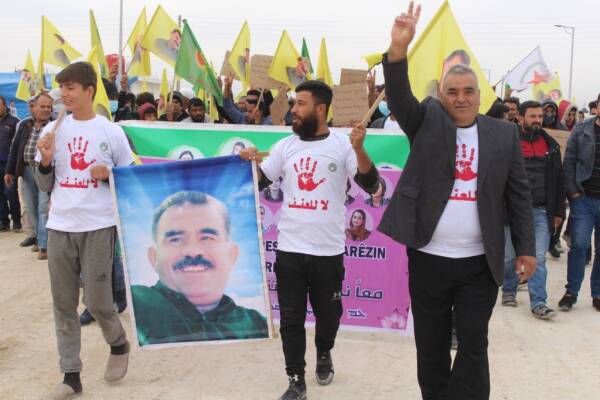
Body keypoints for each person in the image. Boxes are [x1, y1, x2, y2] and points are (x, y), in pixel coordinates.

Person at [377, 4, 535, 399]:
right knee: (430, 347)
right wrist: (398, 49)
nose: (461, 98)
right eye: (452, 92)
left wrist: (527, 249)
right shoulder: (425, 121)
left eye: (468, 92)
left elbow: (518, 194)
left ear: (480, 96)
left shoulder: (503, 135)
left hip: (479, 264)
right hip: (428, 259)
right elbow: (399, 96)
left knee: (473, 345)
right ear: (442, 96)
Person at [240, 80, 380, 400]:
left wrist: (360, 149)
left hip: (328, 253)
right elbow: (258, 182)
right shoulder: (285, 146)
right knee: (291, 319)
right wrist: (248, 165)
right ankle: (296, 380)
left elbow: (371, 185)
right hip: (290, 250)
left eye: (300, 104)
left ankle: (324, 350)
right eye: (293, 104)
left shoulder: (343, 145)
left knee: (329, 316)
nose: (293, 110)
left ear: (320, 108)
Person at [34, 61, 133, 399]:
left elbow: (129, 177)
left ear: (89, 91)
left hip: (98, 226)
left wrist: (109, 175)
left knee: (98, 301)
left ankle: (118, 343)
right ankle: (71, 375)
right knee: (63, 302)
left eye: (71, 88)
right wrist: (45, 161)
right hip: (60, 226)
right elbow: (43, 185)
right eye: (62, 87)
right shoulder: (53, 130)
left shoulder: (111, 131)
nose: (64, 94)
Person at [130, 191, 268, 345]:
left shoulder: (257, 324)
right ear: (154, 257)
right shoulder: (137, 304)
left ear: (232, 255)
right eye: (175, 239)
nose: (193, 251)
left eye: (207, 237)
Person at [501, 101, 565, 320]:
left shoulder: (551, 145)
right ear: (520, 118)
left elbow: (559, 180)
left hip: (540, 211)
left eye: (540, 116)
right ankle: (509, 290)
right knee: (509, 257)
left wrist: (558, 211)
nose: (538, 120)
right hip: (511, 211)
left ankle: (538, 302)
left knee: (538, 257)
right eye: (533, 116)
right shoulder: (509, 143)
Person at [560, 93, 600, 312]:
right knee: (579, 245)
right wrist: (573, 193)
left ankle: (598, 293)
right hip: (584, 198)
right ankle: (571, 292)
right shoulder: (582, 129)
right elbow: (569, 162)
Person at [5, 92, 53, 256]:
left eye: (49, 107)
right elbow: (15, 148)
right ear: (33, 107)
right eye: (42, 106)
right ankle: (40, 238)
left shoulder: (55, 125)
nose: (46, 110)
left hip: (45, 171)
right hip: (26, 171)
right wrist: (9, 171)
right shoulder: (24, 124)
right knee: (31, 207)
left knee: (43, 207)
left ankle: (44, 245)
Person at [0, 96, 21, 232]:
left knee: (10, 192)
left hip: (9, 165)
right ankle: (4, 222)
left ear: (4, 106)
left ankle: (17, 220)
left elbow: (18, 144)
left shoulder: (14, 122)